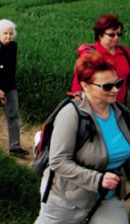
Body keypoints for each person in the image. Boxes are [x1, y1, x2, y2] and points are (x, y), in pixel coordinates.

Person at [35, 52, 130, 223]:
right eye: (107, 86)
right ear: (85, 86)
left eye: (118, 83)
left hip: (107, 199)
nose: (116, 90)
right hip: (67, 200)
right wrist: (98, 179)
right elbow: (58, 161)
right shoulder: (71, 115)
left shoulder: (121, 113)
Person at [0, 19, 28, 157]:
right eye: (5, 33)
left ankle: (14, 147)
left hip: (8, 85)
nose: (8, 36)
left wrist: (8, 88)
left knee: (13, 114)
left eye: (10, 33)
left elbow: (11, 70)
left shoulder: (13, 46)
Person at [71, 14, 130, 105]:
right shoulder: (90, 54)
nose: (116, 38)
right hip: (96, 108)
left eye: (119, 34)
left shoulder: (125, 52)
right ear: (100, 34)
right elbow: (78, 84)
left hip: (120, 107)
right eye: (111, 35)